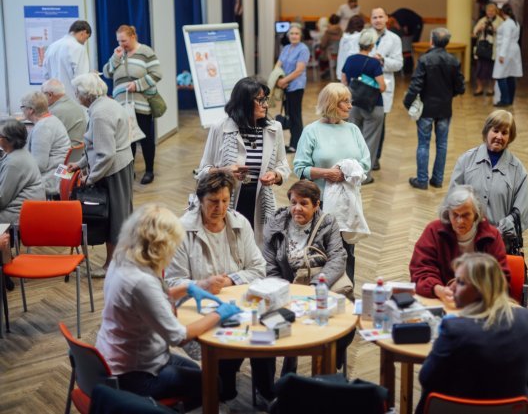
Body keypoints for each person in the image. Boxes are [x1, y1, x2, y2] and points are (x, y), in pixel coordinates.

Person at [95, 204, 241, 411]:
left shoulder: (123, 258)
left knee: (200, 371)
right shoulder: (141, 281)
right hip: (135, 375)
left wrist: (188, 287)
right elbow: (178, 336)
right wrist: (220, 313)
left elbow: (144, 303)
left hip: (117, 358)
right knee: (212, 383)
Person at [165, 171, 271, 402]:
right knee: (224, 387)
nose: (220, 208)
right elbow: (172, 282)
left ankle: (266, 393)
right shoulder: (181, 230)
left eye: (225, 200)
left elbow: (258, 268)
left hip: (239, 305)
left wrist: (229, 280)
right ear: (200, 200)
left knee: (265, 335)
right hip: (201, 310)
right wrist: (201, 284)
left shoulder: (240, 223)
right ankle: (225, 388)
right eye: (213, 201)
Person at [416, 253, 528, 414]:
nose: (452, 288)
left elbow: (426, 378)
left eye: (460, 282)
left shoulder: (454, 328)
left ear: (480, 290)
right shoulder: (527, 319)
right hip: (512, 408)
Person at [261, 180, 351, 383]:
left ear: (316, 204)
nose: (297, 208)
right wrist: (282, 291)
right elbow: (269, 263)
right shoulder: (275, 223)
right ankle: (273, 382)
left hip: (318, 284)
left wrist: (317, 286)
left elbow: (338, 257)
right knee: (270, 323)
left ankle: (328, 365)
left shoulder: (327, 222)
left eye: (304, 203)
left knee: (343, 318)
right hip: (285, 285)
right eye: (293, 202)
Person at [198, 76, 290, 246]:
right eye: (260, 100)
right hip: (227, 202)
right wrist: (224, 171)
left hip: (261, 203)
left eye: (266, 99)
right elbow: (202, 171)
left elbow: (282, 165)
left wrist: (275, 175)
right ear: (244, 102)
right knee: (229, 248)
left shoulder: (274, 128)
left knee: (257, 250)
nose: (266, 105)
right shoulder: (220, 128)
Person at [293, 83, 370, 282]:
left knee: (347, 253)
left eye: (349, 101)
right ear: (331, 103)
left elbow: (365, 163)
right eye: (345, 102)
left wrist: (345, 173)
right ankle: (319, 291)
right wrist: (326, 173)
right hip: (320, 207)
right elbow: (300, 168)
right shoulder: (312, 131)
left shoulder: (353, 130)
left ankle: (346, 290)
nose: (350, 106)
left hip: (348, 203)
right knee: (321, 253)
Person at [67, 72, 133, 274]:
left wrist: (90, 178)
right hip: (117, 167)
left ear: (86, 94)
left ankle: (112, 266)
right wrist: (80, 164)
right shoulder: (107, 104)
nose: (76, 96)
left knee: (114, 218)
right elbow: (96, 146)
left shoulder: (100, 114)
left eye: (77, 92)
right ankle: (117, 262)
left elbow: (106, 154)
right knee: (117, 215)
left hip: (112, 170)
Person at [409, 185, 510, 306]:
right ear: (447, 213)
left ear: (476, 214)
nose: (459, 221)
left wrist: (470, 291)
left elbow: (500, 277)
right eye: (455, 214)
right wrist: (438, 289)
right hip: (441, 301)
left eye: (466, 215)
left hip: (479, 304)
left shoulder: (492, 236)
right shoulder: (433, 231)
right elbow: (421, 270)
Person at [450, 110, 528, 252]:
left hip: (499, 245)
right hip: (466, 243)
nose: (499, 137)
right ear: (487, 131)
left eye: (504, 133)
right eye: (495, 131)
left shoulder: (518, 170)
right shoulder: (466, 160)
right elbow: (452, 199)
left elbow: (521, 212)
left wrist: (497, 232)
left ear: (510, 137)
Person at [404, 27, 465, 190]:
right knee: (442, 144)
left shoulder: (424, 59)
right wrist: (449, 94)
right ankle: (437, 180)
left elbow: (416, 84)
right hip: (445, 108)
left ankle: (422, 180)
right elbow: (460, 87)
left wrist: (407, 102)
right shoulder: (453, 61)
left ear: (431, 40)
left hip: (426, 108)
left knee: (423, 144)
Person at [102, 25, 163, 185]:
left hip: (141, 104)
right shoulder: (119, 54)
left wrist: (137, 85)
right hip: (121, 105)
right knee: (127, 140)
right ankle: (129, 171)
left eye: (124, 40)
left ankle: (149, 171)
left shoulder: (146, 52)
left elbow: (157, 74)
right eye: (118, 41)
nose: (121, 44)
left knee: (145, 138)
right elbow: (107, 73)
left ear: (133, 37)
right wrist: (115, 58)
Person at [341, 28, 386, 185]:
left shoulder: (350, 59)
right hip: (373, 106)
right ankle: (365, 175)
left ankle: (351, 171)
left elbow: (344, 81)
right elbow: (382, 87)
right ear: (372, 45)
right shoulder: (374, 63)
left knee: (354, 140)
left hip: (353, 104)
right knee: (370, 141)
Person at [370, 7, 403, 171]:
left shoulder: (394, 39)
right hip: (364, 85)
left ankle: (375, 157)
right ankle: (363, 156)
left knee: (379, 123)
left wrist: (382, 60)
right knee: (362, 122)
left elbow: (398, 64)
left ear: (386, 19)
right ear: (371, 20)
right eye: (374, 17)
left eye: (380, 17)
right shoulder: (364, 36)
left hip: (384, 85)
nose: (378, 20)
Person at [21, 91, 71, 197]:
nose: (22, 110)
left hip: (50, 179)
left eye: (23, 107)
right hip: (58, 174)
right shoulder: (52, 120)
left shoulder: (43, 127)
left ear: (31, 110)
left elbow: (39, 165)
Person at [0, 119, 45, 224]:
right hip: (28, 209)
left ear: (8, 140)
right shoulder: (19, 153)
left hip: (18, 213)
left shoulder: (14, 163)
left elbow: (2, 200)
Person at [275, 23, 310, 153]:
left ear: (300, 36)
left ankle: (296, 145)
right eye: (292, 33)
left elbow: (299, 70)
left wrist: (284, 80)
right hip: (286, 86)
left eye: (297, 33)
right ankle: (292, 143)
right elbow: (278, 65)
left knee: (295, 116)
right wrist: (278, 79)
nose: (294, 36)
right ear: (288, 35)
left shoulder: (303, 49)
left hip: (296, 86)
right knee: (289, 115)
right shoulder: (286, 48)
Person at [42, 20, 91, 101]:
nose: (84, 42)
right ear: (83, 33)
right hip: (72, 99)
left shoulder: (51, 47)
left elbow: (45, 74)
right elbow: (82, 78)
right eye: (86, 39)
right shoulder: (79, 48)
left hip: (52, 99)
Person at [492, 4, 523, 106]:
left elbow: (506, 39)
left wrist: (502, 55)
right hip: (513, 50)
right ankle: (510, 99)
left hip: (506, 50)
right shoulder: (515, 22)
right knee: (510, 75)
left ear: (502, 12)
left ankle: (504, 100)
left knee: (500, 75)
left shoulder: (507, 24)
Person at [42, 78, 87, 147]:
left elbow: (45, 139)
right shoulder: (73, 103)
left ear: (50, 95)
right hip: (78, 150)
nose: (41, 98)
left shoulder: (56, 111)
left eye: (42, 94)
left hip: (66, 150)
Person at [472, 3, 503, 97]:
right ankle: (479, 88)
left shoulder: (500, 21)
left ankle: (491, 88)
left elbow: (503, 34)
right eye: (488, 11)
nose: (490, 12)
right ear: (486, 12)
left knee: (492, 70)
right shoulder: (482, 20)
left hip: (493, 49)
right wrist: (479, 29)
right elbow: (474, 32)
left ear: (496, 11)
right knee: (479, 69)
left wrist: (495, 29)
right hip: (482, 48)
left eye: (492, 11)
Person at [336, 15, 365, 79]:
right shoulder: (363, 37)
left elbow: (340, 56)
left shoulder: (344, 38)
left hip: (345, 69)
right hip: (360, 72)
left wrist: (339, 74)